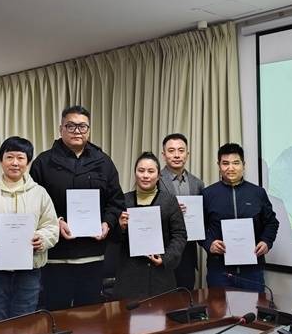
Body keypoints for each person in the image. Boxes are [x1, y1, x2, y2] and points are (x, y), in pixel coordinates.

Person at [30, 105, 125, 310]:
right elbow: (33, 204)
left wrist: (107, 223)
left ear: (89, 130)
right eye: (71, 126)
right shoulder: (43, 163)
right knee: (56, 313)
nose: (77, 131)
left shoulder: (103, 162)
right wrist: (56, 222)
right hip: (56, 256)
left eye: (82, 126)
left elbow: (116, 201)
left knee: (90, 316)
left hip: (93, 254)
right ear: (61, 129)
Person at [0, 136, 59, 322]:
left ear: (28, 162)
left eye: (20, 158)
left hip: (28, 274)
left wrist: (41, 239)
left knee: (24, 327)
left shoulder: (40, 193)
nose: (15, 163)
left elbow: (52, 227)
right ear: (1, 160)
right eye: (9, 157)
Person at [201, 143, 279, 292]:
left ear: (243, 165)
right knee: (219, 307)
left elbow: (271, 223)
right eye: (225, 163)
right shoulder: (208, 194)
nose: (230, 168)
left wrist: (266, 242)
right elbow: (199, 228)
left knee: (253, 306)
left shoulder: (257, 193)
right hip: (219, 270)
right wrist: (209, 243)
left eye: (236, 163)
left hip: (252, 271)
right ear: (219, 165)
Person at [114, 152, 187, 300]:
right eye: (141, 171)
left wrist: (165, 258)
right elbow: (113, 239)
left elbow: (180, 235)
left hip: (160, 276)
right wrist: (120, 227)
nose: (145, 175)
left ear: (158, 176)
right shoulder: (123, 201)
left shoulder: (169, 201)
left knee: (162, 313)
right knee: (128, 314)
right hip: (129, 276)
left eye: (151, 171)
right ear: (135, 173)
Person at [158, 133, 205, 290]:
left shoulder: (197, 184)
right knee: (163, 299)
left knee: (186, 296)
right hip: (163, 249)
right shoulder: (154, 180)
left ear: (187, 154)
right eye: (171, 151)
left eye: (181, 150)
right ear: (164, 155)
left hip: (188, 251)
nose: (177, 155)